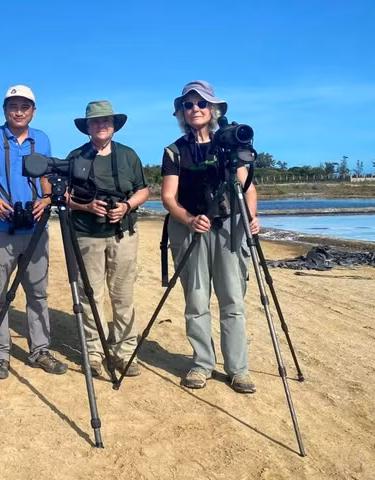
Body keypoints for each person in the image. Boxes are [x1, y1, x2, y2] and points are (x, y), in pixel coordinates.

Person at [161, 80, 260, 394]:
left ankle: (238, 370)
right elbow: (168, 197)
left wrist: (253, 218)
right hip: (191, 229)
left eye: (201, 103)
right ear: (182, 112)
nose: (195, 109)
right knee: (196, 300)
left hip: (230, 228)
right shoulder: (174, 151)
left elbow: (248, 188)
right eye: (188, 105)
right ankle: (202, 364)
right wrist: (189, 219)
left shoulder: (228, 145)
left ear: (214, 109)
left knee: (232, 299)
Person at [0, 85, 68, 379]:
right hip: (0, 227)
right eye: (13, 105)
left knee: (37, 293)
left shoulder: (43, 139)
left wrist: (47, 199)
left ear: (33, 111)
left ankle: (39, 350)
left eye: (25, 106)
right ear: (4, 109)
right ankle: (0, 354)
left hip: (36, 228)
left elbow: (48, 177)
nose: (19, 111)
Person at [66, 101, 150, 378]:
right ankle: (94, 352)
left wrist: (126, 206)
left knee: (123, 295)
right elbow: (63, 196)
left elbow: (143, 191)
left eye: (107, 122)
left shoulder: (129, 156)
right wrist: (86, 206)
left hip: (123, 234)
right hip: (86, 234)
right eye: (96, 122)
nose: (102, 126)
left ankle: (124, 352)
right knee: (91, 295)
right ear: (87, 127)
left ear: (114, 126)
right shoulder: (76, 156)